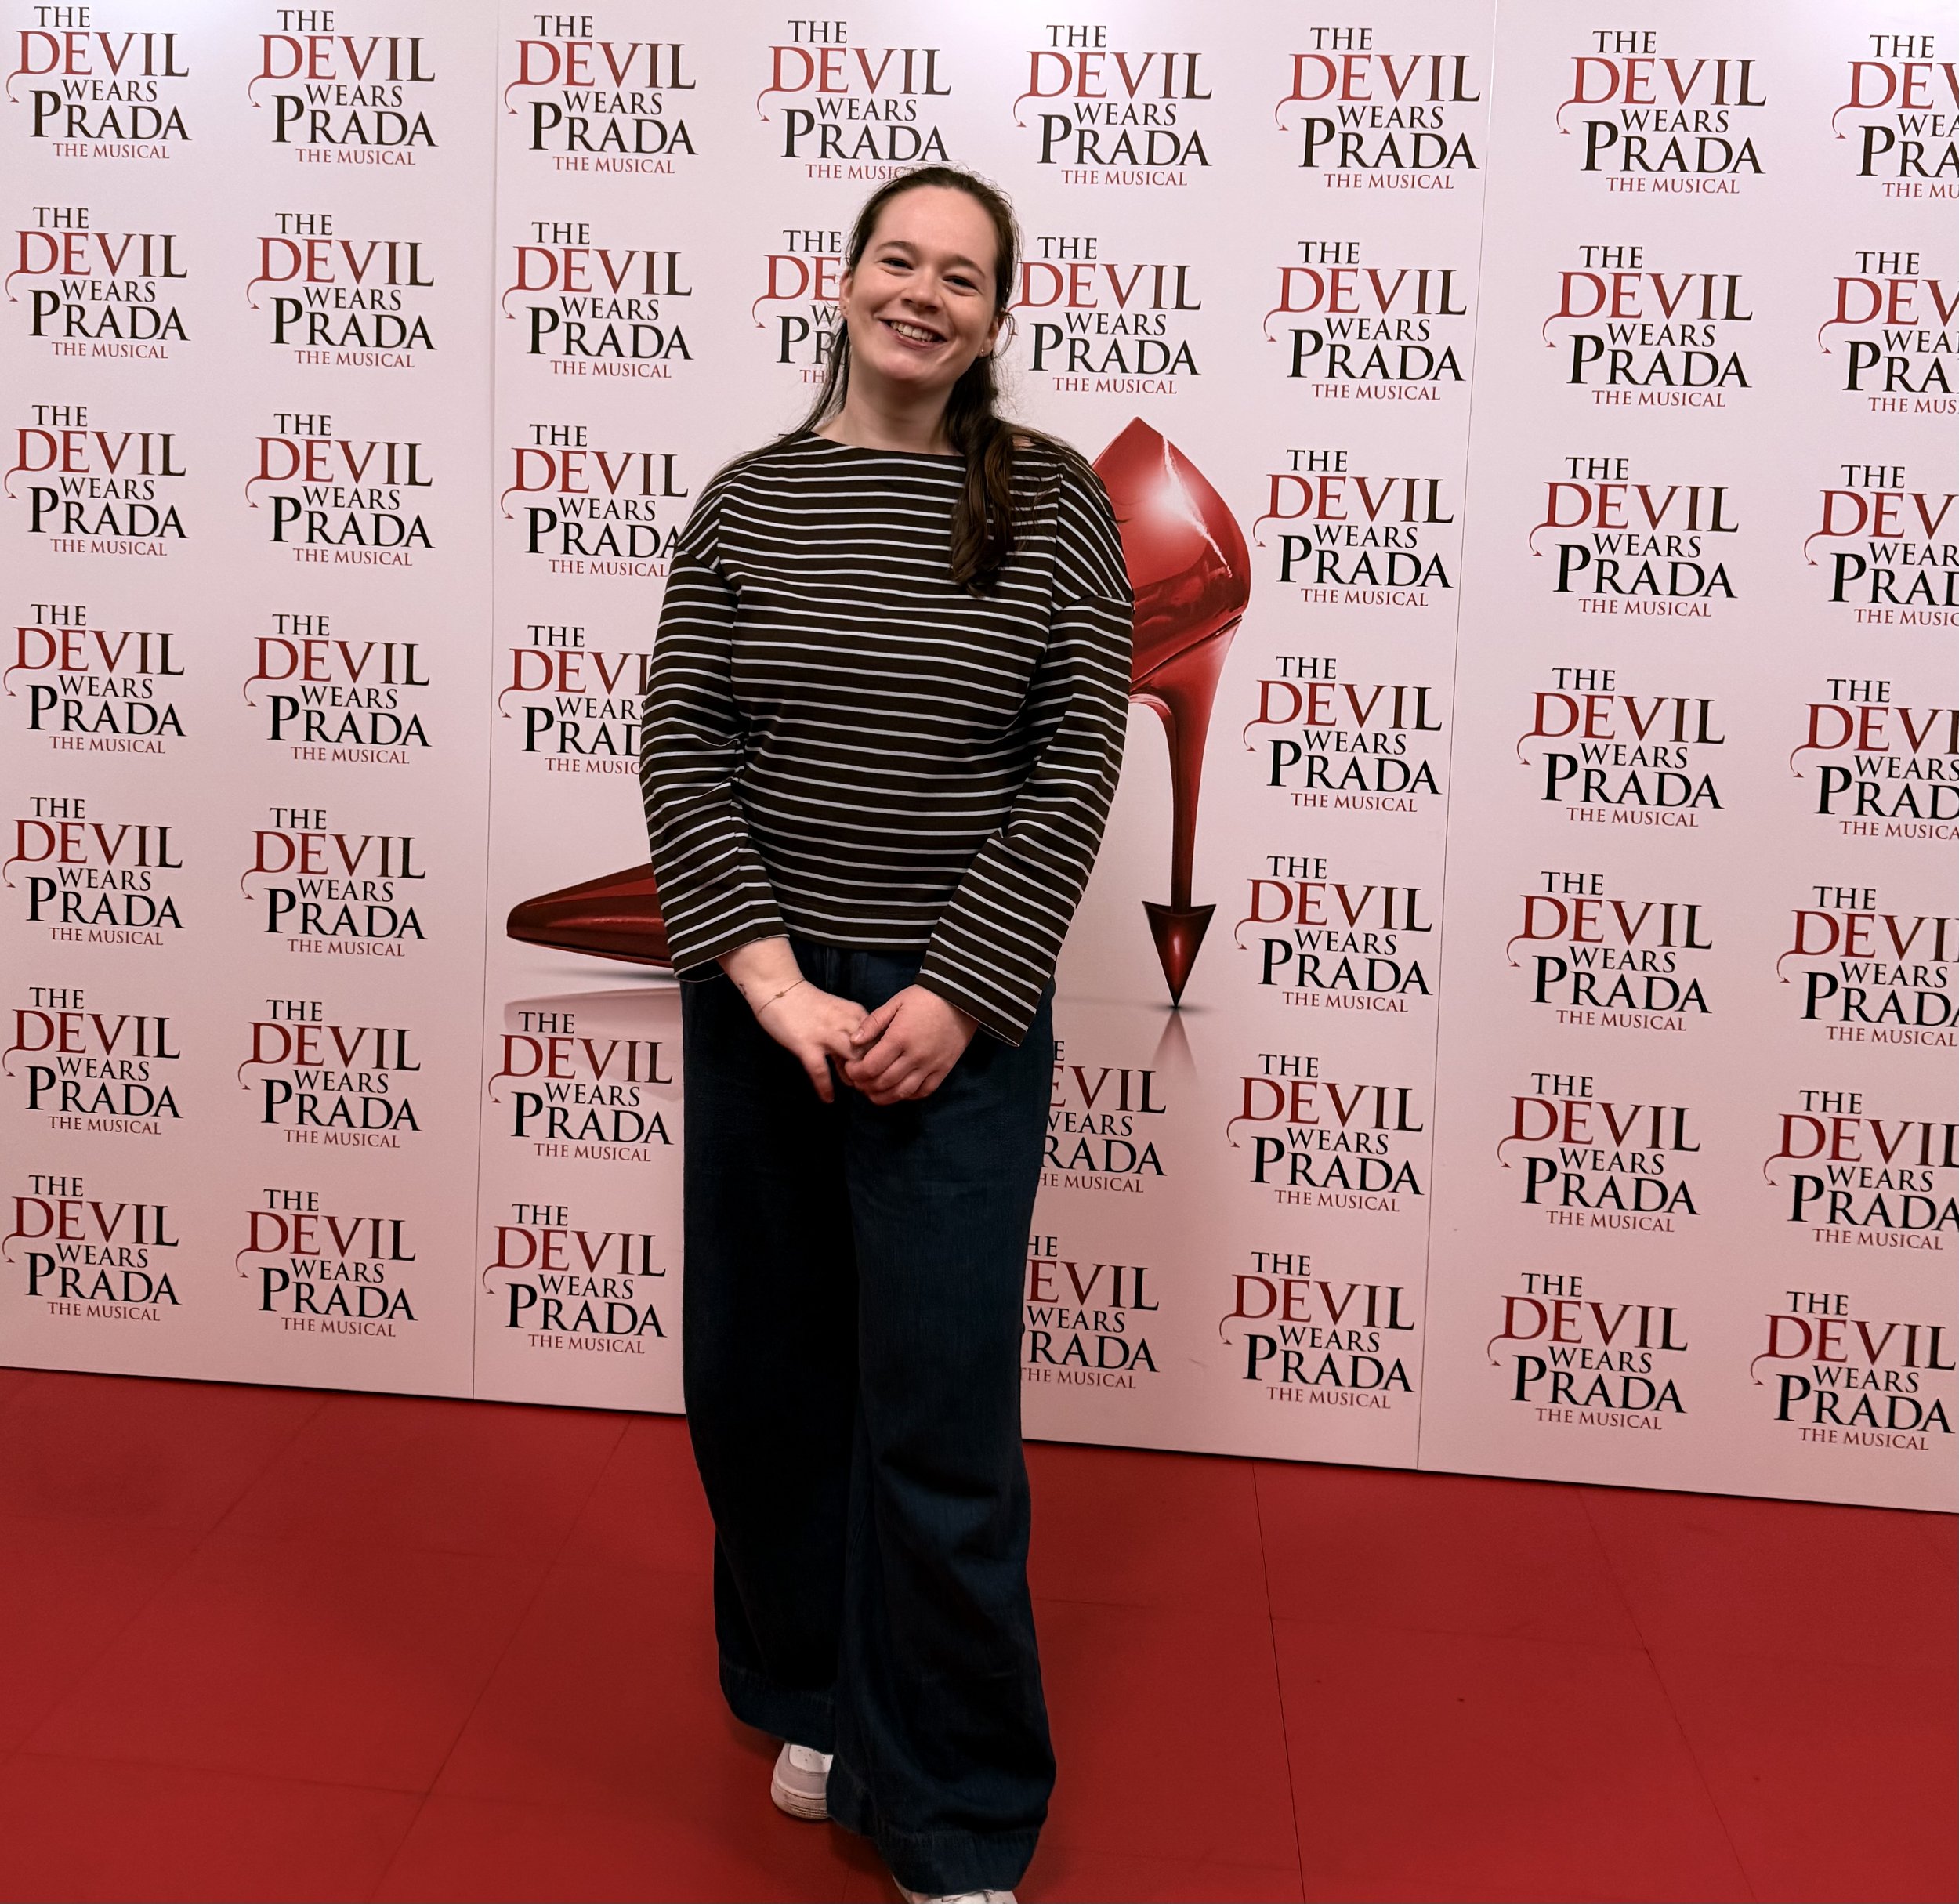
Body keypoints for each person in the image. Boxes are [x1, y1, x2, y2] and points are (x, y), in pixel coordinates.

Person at [639, 166, 1132, 1902]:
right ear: (844, 281)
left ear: (996, 318)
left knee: (935, 1409)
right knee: (762, 1383)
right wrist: (772, 986)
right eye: (896, 260)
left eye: (961, 276)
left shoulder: (1053, 504)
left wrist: (958, 993)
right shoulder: (747, 501)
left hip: (953, 1010)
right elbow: (683, 743)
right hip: (764, 1001)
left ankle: (957, 1808)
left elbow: (1075, 760)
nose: (922, 293)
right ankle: (815, 1695)